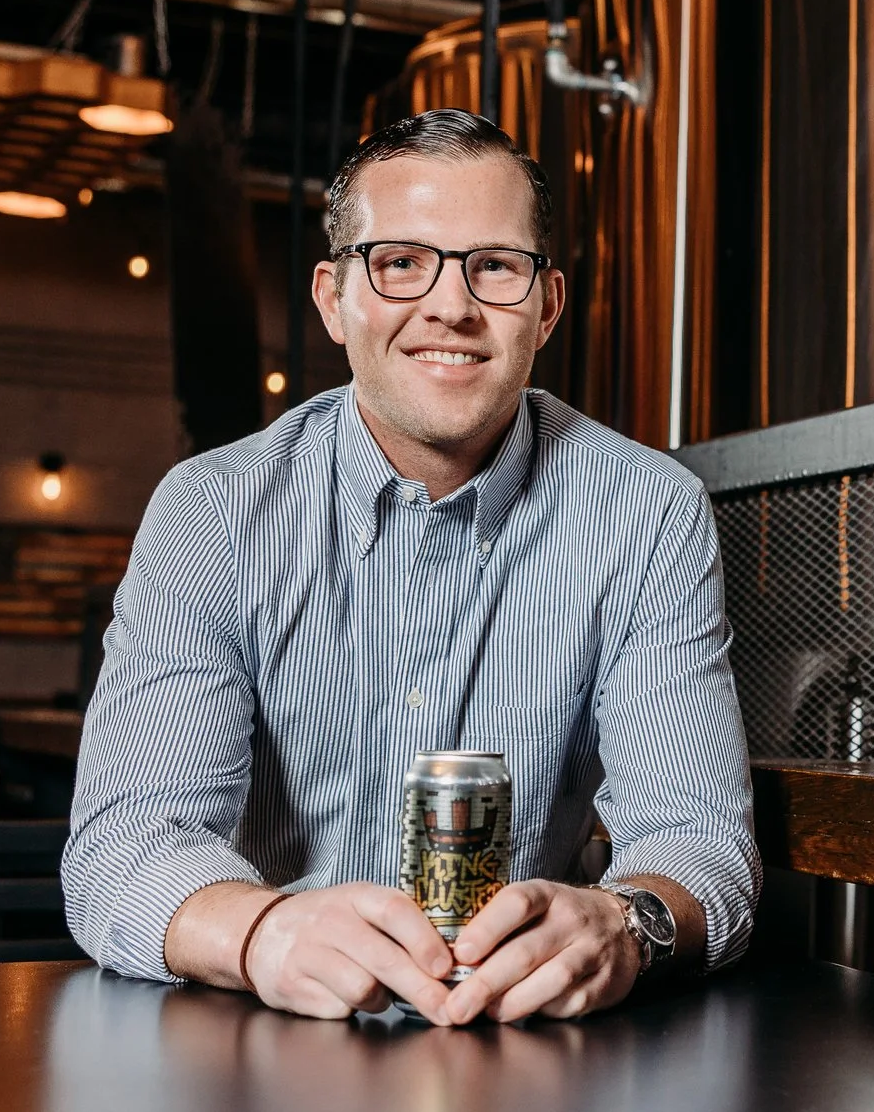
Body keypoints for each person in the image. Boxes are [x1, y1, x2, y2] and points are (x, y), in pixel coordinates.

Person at [64, 108, 757, 1025]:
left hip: (525, 1048)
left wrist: (628, 924)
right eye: (400, 262)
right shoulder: (213, 509)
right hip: (262, 1047)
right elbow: (123, 845)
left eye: (495, 266)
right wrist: (264, 931)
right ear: (332, 298)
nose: (450, 307)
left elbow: (702, 841)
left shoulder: (648, 511)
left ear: (546, 306)